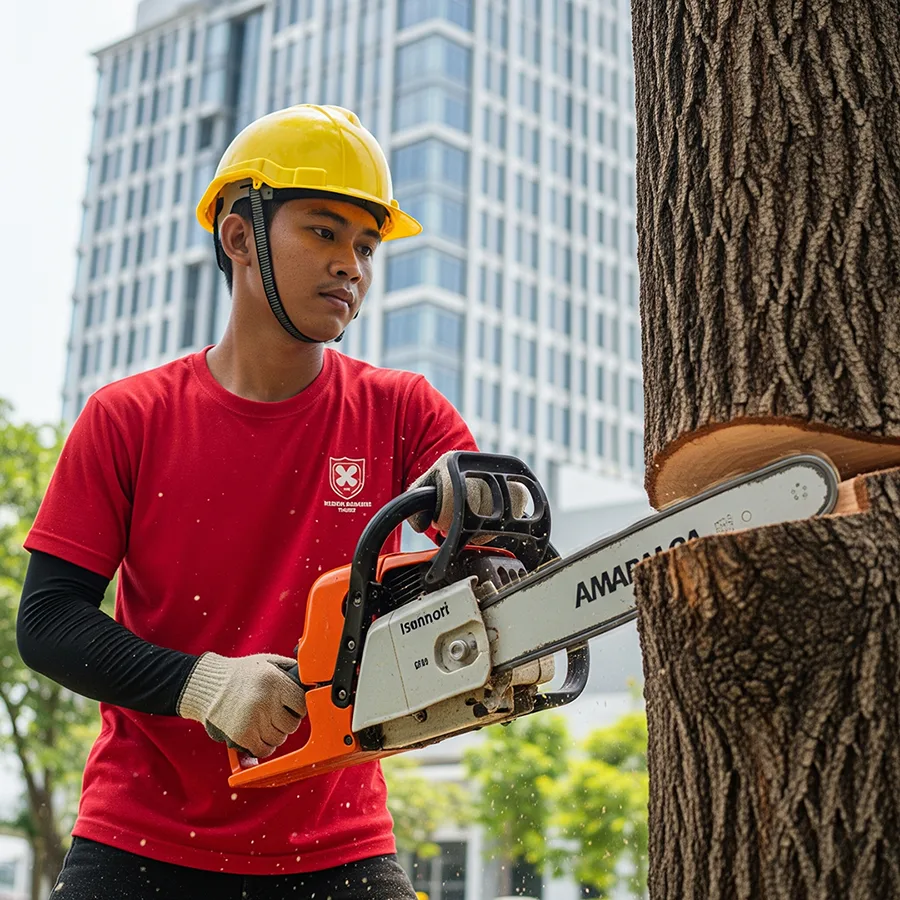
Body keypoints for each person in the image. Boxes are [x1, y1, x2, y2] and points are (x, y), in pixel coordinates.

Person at [17, 104, 479, 900]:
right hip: (138, 840)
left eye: (367, 247)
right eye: (325, 232)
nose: (352, 266)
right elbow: (49, 621)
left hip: (339, 845)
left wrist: (498, 590)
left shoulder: (406, 414)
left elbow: (487, 545)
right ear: (239, 236)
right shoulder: (128, 416)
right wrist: (204, 685)